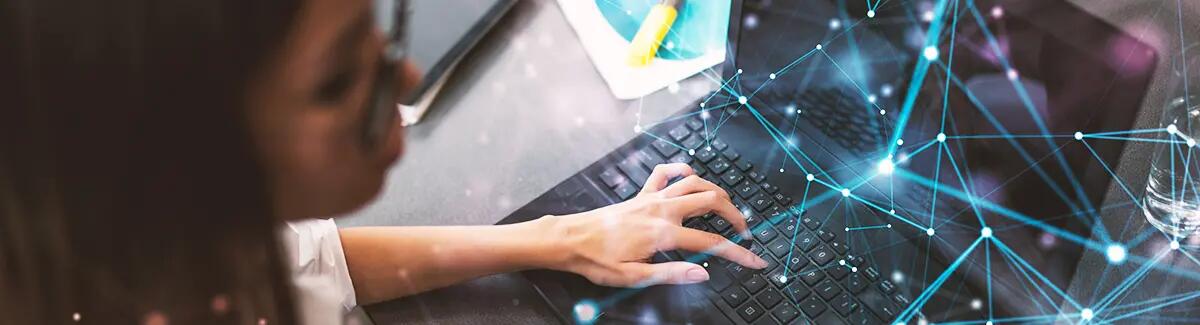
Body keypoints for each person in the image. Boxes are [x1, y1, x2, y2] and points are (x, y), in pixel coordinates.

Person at [0, 0, 766, 323]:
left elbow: (309, 262)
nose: (402, 81)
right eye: (337, 82)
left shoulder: (144, 240)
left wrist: (564, 236)